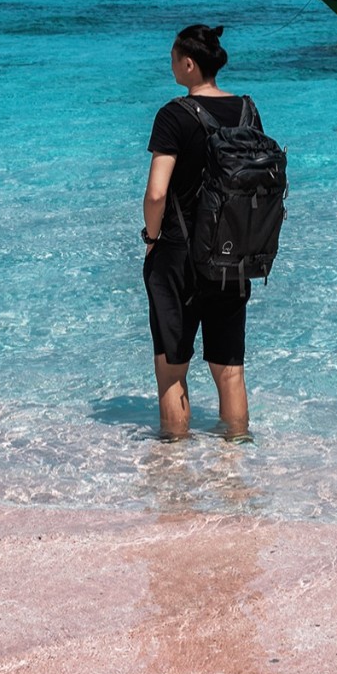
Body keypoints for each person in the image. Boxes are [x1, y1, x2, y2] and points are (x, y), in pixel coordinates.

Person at [141, 22, 255, 439]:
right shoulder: (247, 110)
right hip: (233, 255)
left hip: (179, 256)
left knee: (172, 370)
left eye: (173, 59)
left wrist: (151, 240)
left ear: (188, 64)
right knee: (230, 371)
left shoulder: (173, 115)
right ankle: (237, 462)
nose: (171, 66)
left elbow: (156, 194)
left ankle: (173, 471)